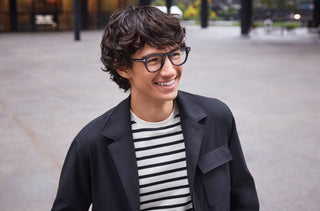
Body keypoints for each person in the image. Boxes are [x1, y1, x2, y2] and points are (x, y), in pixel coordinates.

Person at [51, 6, 259, 211]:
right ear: (122, 67)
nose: (169, 71)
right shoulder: (91, 143)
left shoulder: (217, 117)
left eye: (175, 54)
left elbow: (243, 197)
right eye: (153, 60)